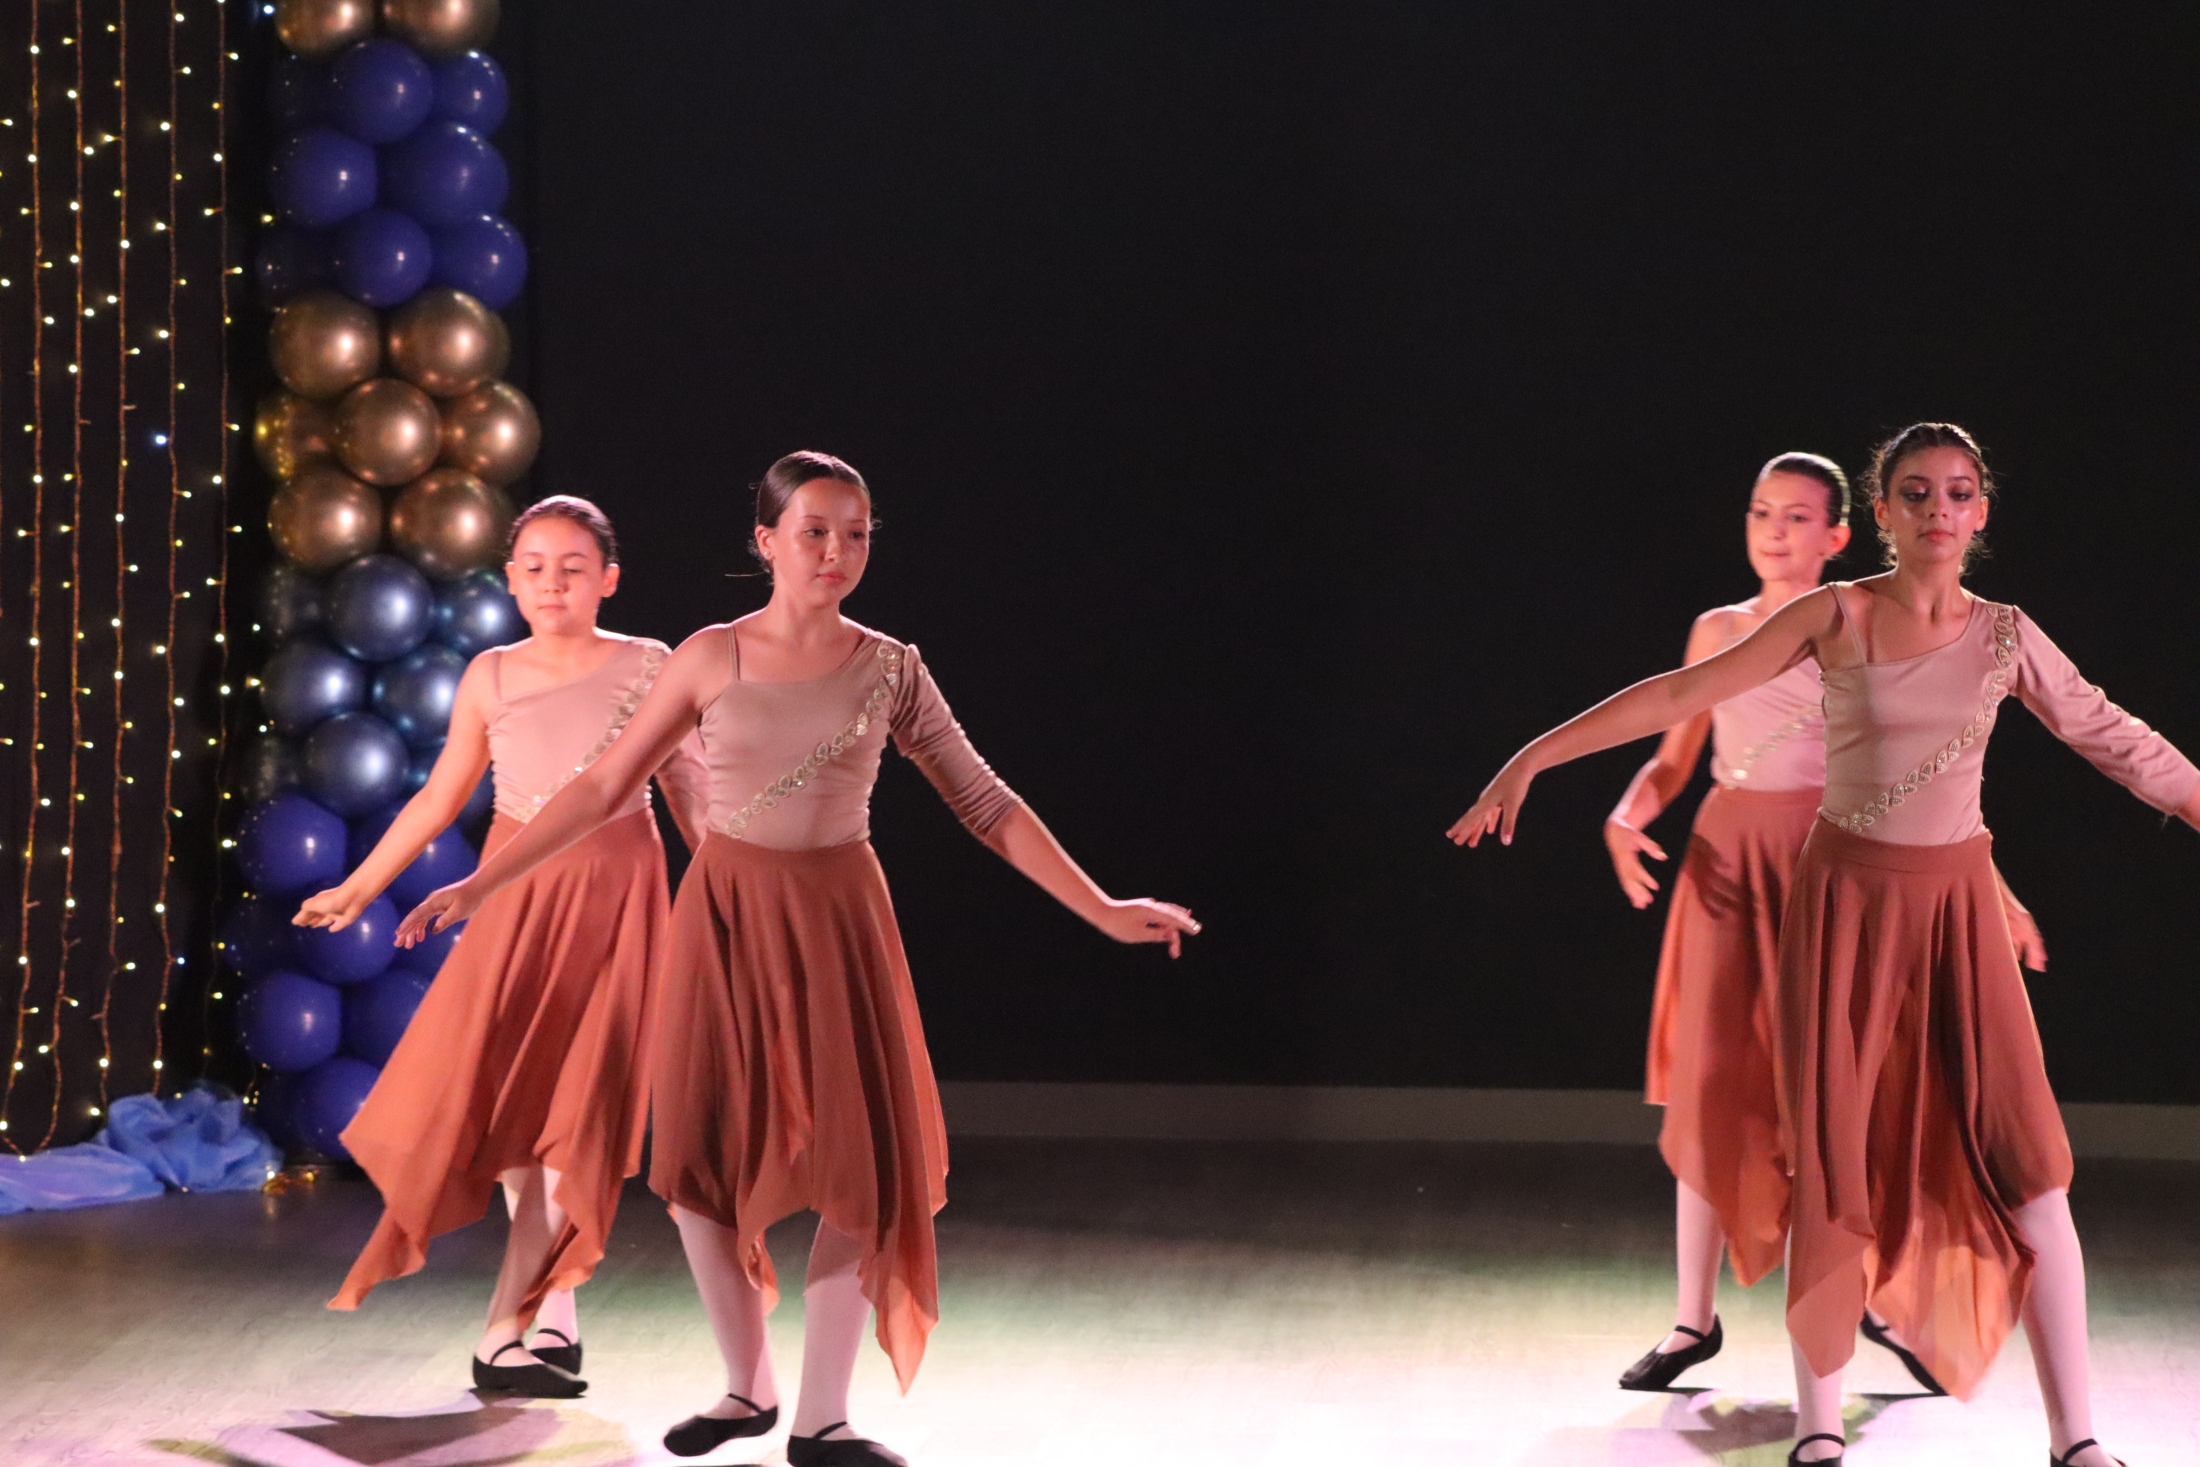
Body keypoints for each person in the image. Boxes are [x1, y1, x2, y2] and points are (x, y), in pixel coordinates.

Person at [396, 451, 1200, 1466]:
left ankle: (823, 1418)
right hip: (725, 917)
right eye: (813, 530)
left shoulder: (891, 666)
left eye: (854, 534)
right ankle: (748, 1387)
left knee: (866, 1169)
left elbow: (985, 800)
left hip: (840, 921)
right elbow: (601, 787)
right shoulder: (709, 656)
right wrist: (481, 883)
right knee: (695, 1166)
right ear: (766, 540)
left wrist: (1101, 907)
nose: (834, 551)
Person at [1450, 423, 2196, 1466]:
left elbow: (2112, 734)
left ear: (1981, 512)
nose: (1938, 510)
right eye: (1915, 492)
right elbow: (1682, 695)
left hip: (1955, 917)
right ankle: (1817, 1426)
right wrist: (1533, 756)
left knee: (2033, 1169)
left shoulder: (2006, 635)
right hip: (1845, 909)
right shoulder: (1833, 613)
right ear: (1881, 513)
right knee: (1834, 1160)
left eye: (1958, 492)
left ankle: (2078, 1440)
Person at [1605, 454, 2044, 1396]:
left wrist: (1996, 893)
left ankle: (1868, 1293)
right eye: (1762, 511)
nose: (1775, 530)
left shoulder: (1855, 626)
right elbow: (1675, 751)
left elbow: (1921, 784)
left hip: (1831, 861)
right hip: (1728, 864)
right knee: (1713, 1084)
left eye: (1798, 516)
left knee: (1848, 1094)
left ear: (1840, 533)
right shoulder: (1719, 629)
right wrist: (1626, 815)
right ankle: (1692, 1317)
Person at [295, 497, 709, 1399]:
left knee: (580, 1109)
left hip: (618, 897)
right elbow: (440, 796)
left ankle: (502, 1335)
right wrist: (359, 886)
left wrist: (733, 896)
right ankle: (550, 1309)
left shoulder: (651, 662)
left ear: (609, 579)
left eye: (573, 567)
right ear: (511, 581)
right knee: (522, 1107)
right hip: (517, 894)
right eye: (534, 567)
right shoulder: (490, 673)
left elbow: (690, 791)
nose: (553, 583)